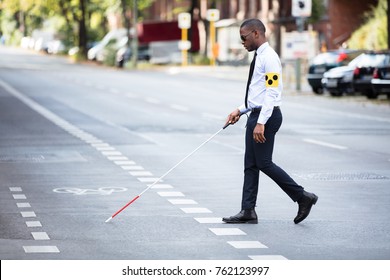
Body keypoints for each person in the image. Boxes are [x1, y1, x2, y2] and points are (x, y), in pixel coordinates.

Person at [222, 19, 318, 225]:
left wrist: (261, 122)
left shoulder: (270, 59)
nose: (242, 42)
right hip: (256, 114)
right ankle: (248, 210)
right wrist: (240, 110)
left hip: (266, 116)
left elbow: (272, 92)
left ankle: (303, 197)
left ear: (256, 33)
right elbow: (258, 94)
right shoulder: (259, 57)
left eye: (244, 37)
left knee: (263, 163)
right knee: (250, 164)